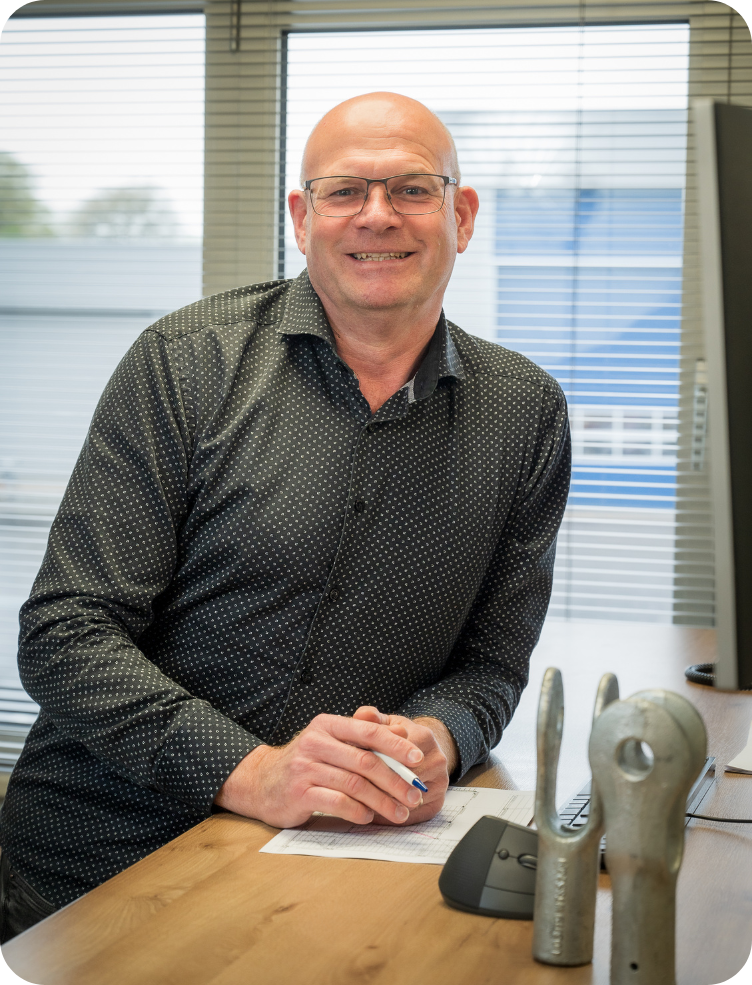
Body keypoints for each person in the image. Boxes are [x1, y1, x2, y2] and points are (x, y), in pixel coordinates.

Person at [0, 92, 570, 941]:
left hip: (334, 870)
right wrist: (251, 771)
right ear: (303, 219)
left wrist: (433, 741)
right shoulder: (185, 365)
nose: (378, 216)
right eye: (345, 192)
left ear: (463, 214)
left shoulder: (526, 415)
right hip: (100, 858)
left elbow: (490, 665)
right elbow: (65, 630)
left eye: (412, 189)